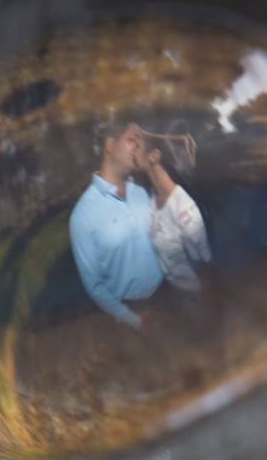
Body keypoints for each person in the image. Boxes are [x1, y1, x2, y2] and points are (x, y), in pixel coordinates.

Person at [69, 122, 163, 328]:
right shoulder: (82, 215)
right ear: (110, 145)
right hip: (129, 313)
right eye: (132, 140)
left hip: (167, 297)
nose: (139, 147)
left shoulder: (141, 193)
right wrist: (134, 320)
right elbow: (94, 286)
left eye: (141, 143)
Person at [136, 130, 212, 291]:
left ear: (154, 156)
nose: (132, 151)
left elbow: (206, 265)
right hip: (173, 295)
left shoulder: (183, 207)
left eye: (137, 146)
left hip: (195, 296)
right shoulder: (151, 201)